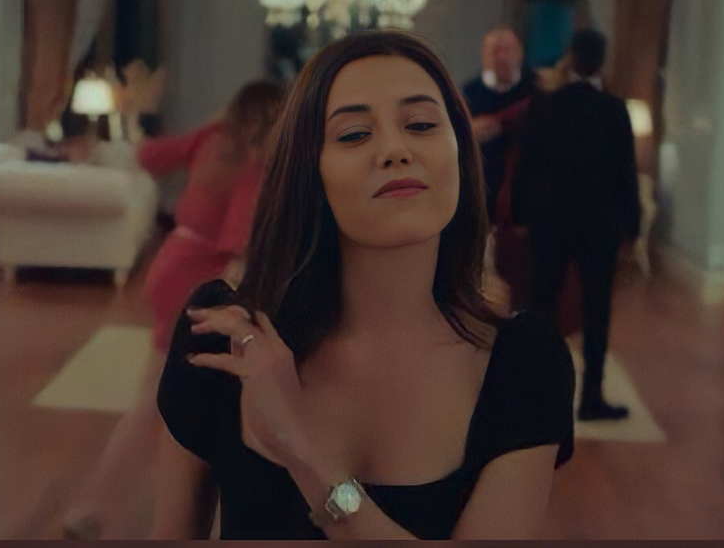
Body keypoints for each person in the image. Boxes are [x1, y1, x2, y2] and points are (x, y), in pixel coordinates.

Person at [149, 30, 574, 540]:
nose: (395, 150)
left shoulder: (525, 362)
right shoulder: (227, 339)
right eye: (353, 135)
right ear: (310, 172)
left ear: (460, 154)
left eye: (421, 125)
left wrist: (302, 448)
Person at [63, 79, 284, 539]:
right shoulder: (256, 163)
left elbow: (150, 156)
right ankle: (97, 506)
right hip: (199, 279)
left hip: (170, 262)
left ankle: (106, 503)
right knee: (161, 402)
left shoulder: (212, 137)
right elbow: (239, 241)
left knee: (166, 395)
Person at [512, 28, 640, 422]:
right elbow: (626, 174)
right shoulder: (614, 109)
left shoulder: (544, 105)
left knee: (543, 305)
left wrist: (520, 215)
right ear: (602, 61)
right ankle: (591, 398)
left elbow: (526, 165)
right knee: (596, 311)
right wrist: (632, 228)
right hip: (599, 225)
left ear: (571, 58)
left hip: (549, 221)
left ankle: (540, 396)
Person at [462, 27, 539, 223]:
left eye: (508, 50)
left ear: (519, 54)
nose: (502, 57)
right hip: (480, 194)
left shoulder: (536, 92)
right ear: (484, 56)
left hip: (525, 195)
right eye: (495, 51)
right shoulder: (468, 93)